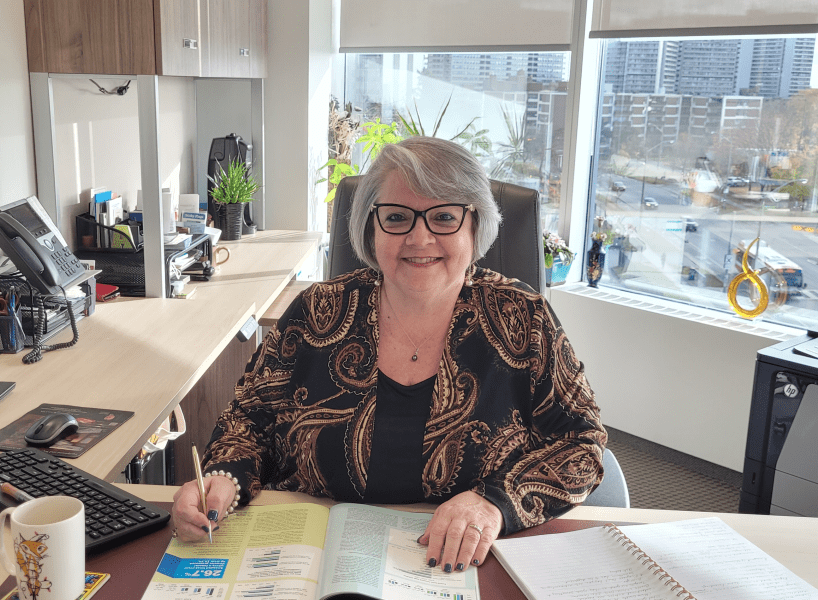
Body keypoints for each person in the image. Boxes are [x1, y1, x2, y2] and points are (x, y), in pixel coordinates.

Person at [173, 136, 606, 573]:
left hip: (461, 565)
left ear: (475, 226)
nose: (420, 237)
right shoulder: (316, 312)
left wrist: (495, 503)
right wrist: (223, 478)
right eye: (397, 217)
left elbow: (583, 443)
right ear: (371, 229)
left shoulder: (524, 319)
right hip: (311, 558)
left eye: (444, 217)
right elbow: (248, 422)